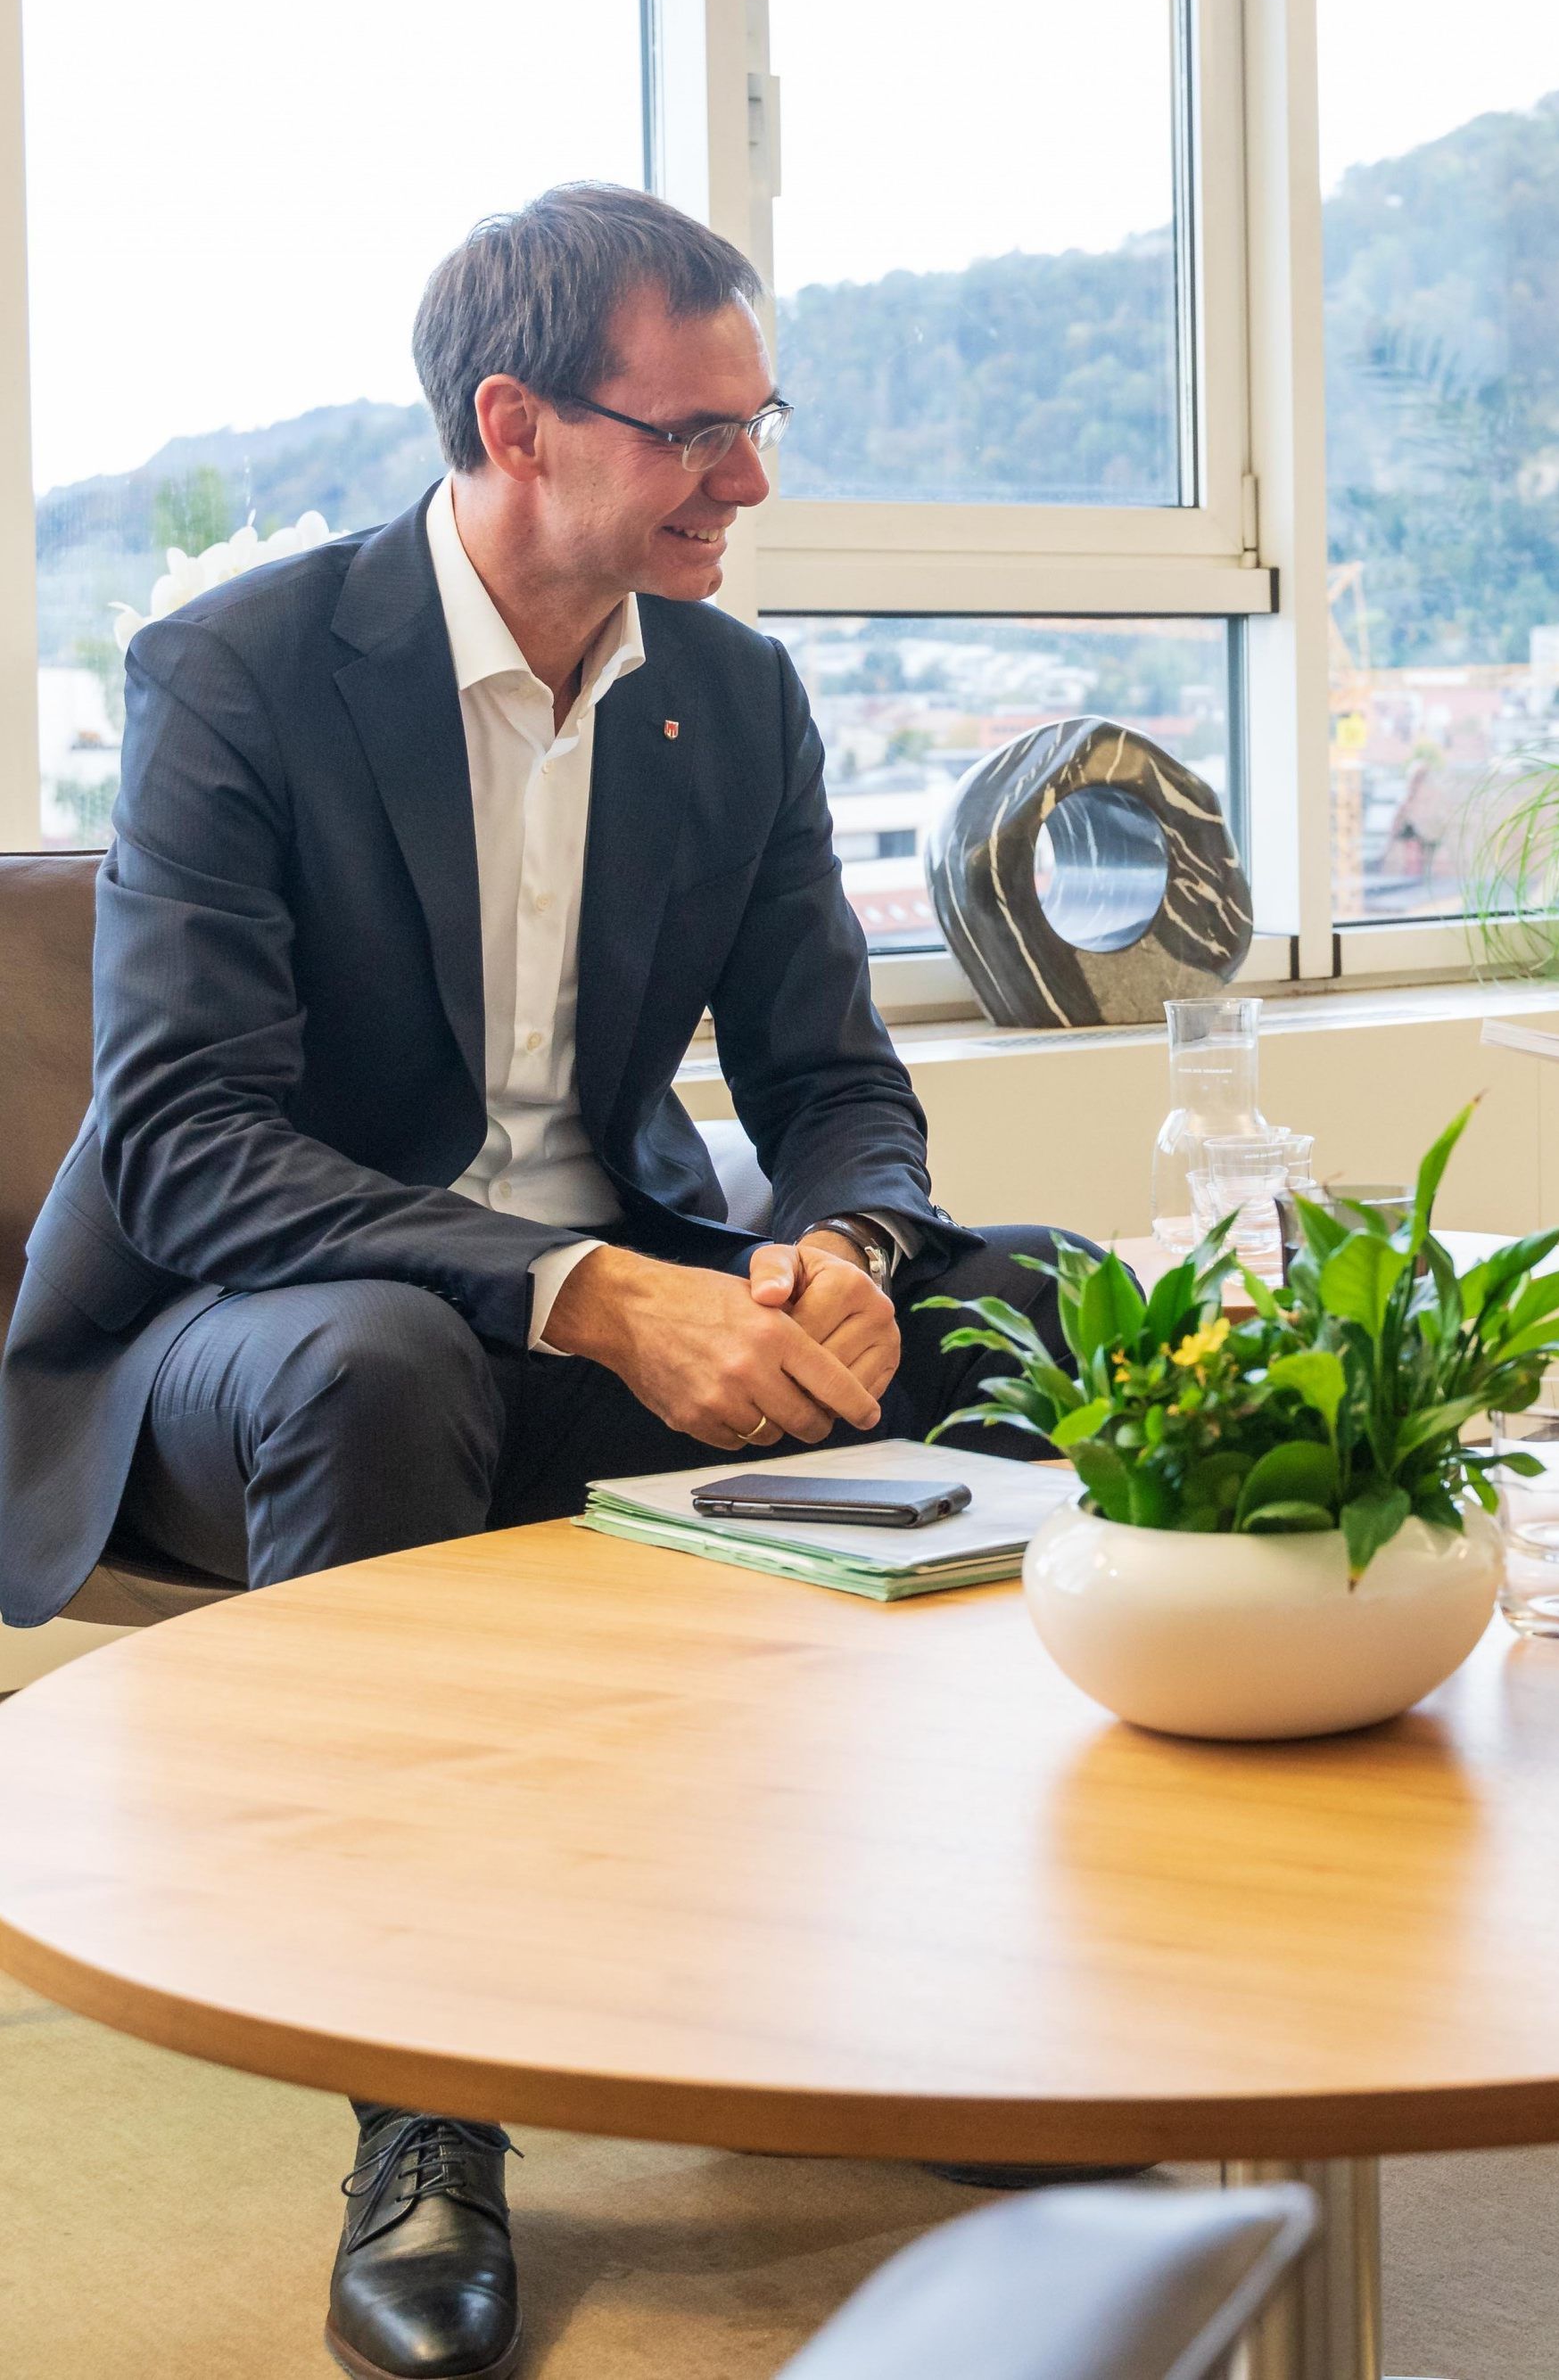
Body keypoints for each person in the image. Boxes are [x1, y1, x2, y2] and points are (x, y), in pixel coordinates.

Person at [0, 184, 1095, 2380]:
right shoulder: (242, 670)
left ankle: (943, 2003)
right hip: (248, 1332)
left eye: (759, 421)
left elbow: (830, 1076)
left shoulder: (737, 695)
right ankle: (429, 2117)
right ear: (515, 419)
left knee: (1038, 1293)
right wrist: (589, 1291)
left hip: (619, 1294)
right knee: (389, 1362)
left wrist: (846, 1251)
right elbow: (194, 1140)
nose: (750, 478)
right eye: (697, 431)